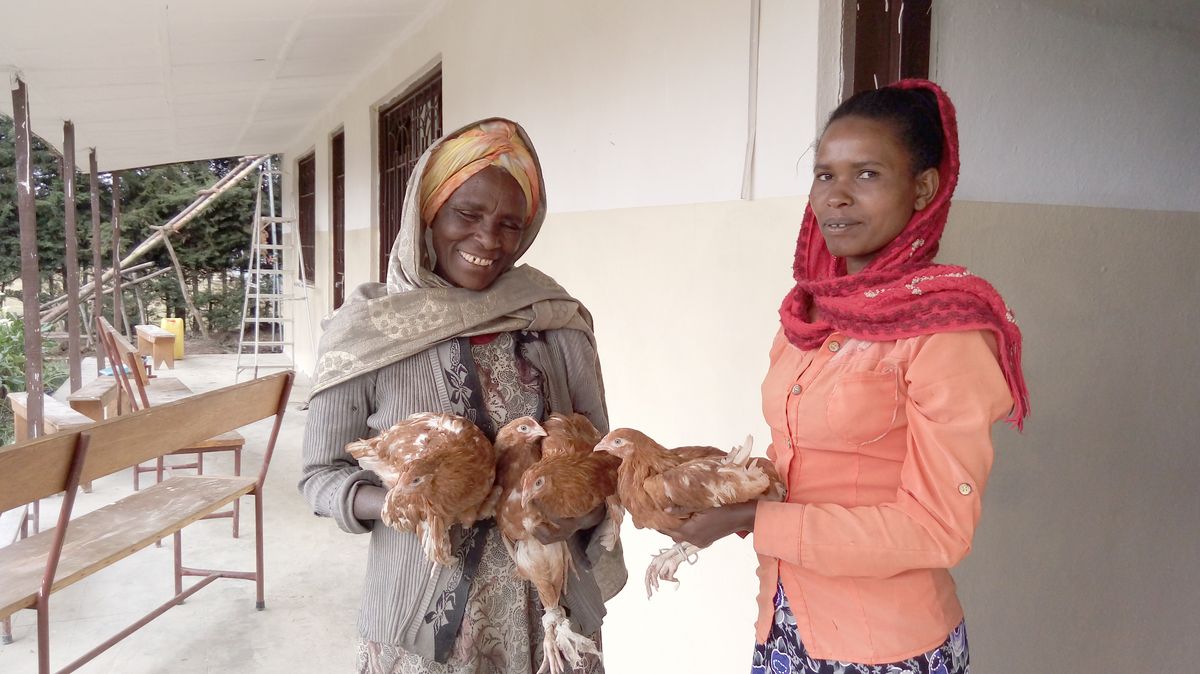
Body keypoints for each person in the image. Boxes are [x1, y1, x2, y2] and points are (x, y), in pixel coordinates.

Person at [664, 80, 1029, 673]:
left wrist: (752, 520)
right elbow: (804, 458)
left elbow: (937, 530)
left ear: (924, 189)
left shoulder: (944, 331)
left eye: (867, 175)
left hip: (886, 647)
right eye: (825, 175)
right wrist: (723, 482)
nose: (836, 197)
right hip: (785, 622)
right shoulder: (807, 315)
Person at [300, 119, 626, 674]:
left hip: (546, 617)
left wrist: (575, 512)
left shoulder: (553, 320)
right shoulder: (369, 332)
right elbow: (319, 476)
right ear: (427, 214)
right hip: (419, 618)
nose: (488, 240)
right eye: (467, 215)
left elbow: (603, 461)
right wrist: (403, 505)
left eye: (509, 224)